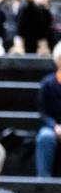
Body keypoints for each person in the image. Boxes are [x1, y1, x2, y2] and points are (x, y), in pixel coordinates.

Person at [34, 43, 61, 177]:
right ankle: (44, 182)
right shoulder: (47, 84)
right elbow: (43, 112)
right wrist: (55, 126)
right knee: (45, 137)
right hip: (52, 128)